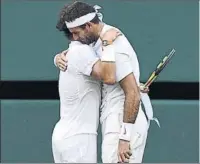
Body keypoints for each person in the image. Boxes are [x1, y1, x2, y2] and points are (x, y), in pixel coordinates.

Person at [54, 1, 158, 163]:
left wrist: (125, 138)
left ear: (88, 26)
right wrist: (60, 57)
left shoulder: (113, 43)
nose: (74, 39)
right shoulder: (95, 44)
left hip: (122, 125)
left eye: (76, 33)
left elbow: (132, 94)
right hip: (113, 122)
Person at [52, 8, 121, 163]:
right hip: (78, 139)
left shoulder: (73, 53)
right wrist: (107, 43)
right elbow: (109, 76)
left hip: (65, 136)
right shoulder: (81, 52)